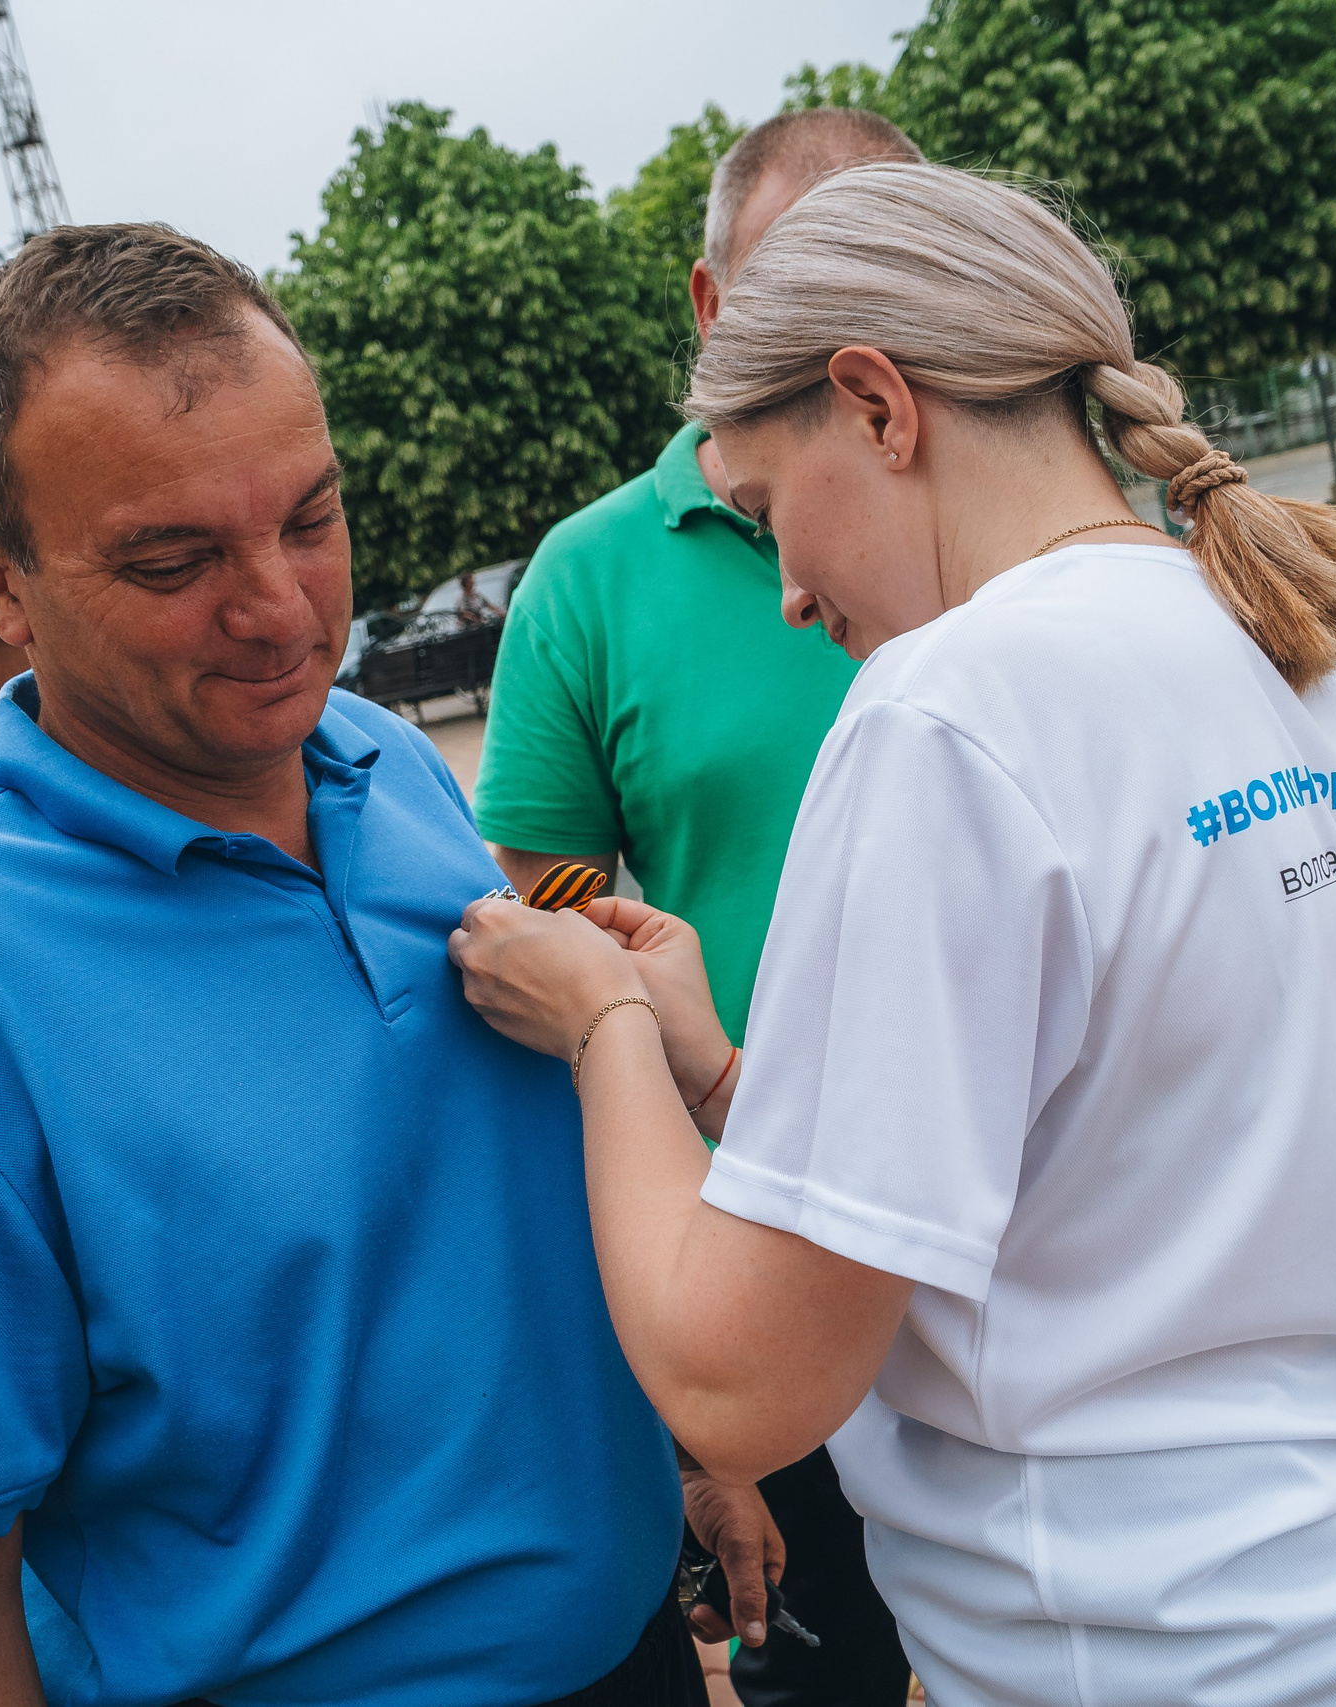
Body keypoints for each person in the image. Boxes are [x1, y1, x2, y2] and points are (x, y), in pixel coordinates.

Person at [450, 162, 1336, 1706]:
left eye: (770, 510)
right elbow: (1099, 1175)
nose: (784, 590)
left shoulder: (945, 709)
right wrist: (727, 1074)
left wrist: (608, 1033)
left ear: (875, 405)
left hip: (1184, 1662)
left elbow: (734, 1381)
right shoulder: (1265, 634)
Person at [0, 222, 775, 1707]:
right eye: (173, 562)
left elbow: (493, 1214)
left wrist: (683, 1459)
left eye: (310, 518)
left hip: (628, 1654)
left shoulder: (391, 767)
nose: (284, 611)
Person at [477, 106, 924, 1707]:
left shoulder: (985, 519)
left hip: (1002, 1224)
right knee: (836, 1669)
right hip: (770, 1219)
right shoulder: (590, 574)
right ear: (709, 302)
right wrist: (663, 985)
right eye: (804, 278)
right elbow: (534, 874)